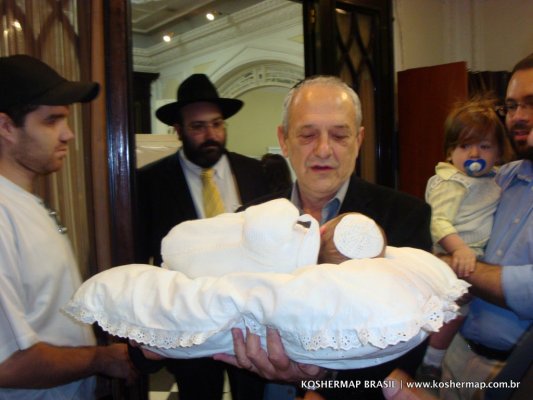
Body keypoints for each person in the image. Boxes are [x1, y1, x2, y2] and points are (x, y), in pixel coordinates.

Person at [214, 75, 434, 400]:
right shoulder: (246, 219)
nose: (323, 150)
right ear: (284, 140)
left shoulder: (404, 217)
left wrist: (325, 377)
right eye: (307, 135)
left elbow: (408, 342)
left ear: (359, 140)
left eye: (340, 135)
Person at [0, 54, 136, 398]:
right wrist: (101, 359)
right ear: (6, 127)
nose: (68, 134)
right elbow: (6, 364)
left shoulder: (22, 201)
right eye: (51, 121)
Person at [134, 73, 271, 400]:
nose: (211, 135)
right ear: (178, 130)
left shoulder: (255, 174)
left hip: (251, 320)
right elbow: (143, 258)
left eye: (217, 124)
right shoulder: (150, 183)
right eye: (198, 127)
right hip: (190, 324)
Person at [438, 53, 533, 399]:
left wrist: (452, 265)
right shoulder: (498, 179)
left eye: (531, 103)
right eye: (512, 106)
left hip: (519, 374)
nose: (518, 116)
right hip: (455, 352)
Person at [420, 96, 513, 380]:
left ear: (498, 153)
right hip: (453, 253)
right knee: (455, 308)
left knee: (461, 309)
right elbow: (437, 221)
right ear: (450, 153)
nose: (474, 153)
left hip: (472, 255)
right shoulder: (453, 182)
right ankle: (430, 360)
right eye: (464, 146)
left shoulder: (493, 178)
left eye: (484, 146)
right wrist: (458, 249)